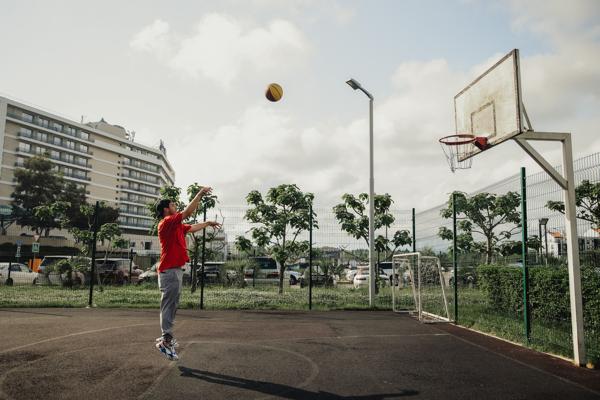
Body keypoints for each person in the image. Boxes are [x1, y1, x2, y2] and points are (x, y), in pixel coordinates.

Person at [154, 187, 221, 361]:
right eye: (173, 204)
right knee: (168, 305)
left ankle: (166, 338)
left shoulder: (175, 226)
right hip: (169, 271)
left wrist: (206, 224)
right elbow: (188, 212)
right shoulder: (166, 223)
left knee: (173, 304)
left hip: (175, 270)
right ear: (166, 209)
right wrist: (199, 194)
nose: (175, 206)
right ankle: (165, 340)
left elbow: (191, 228)